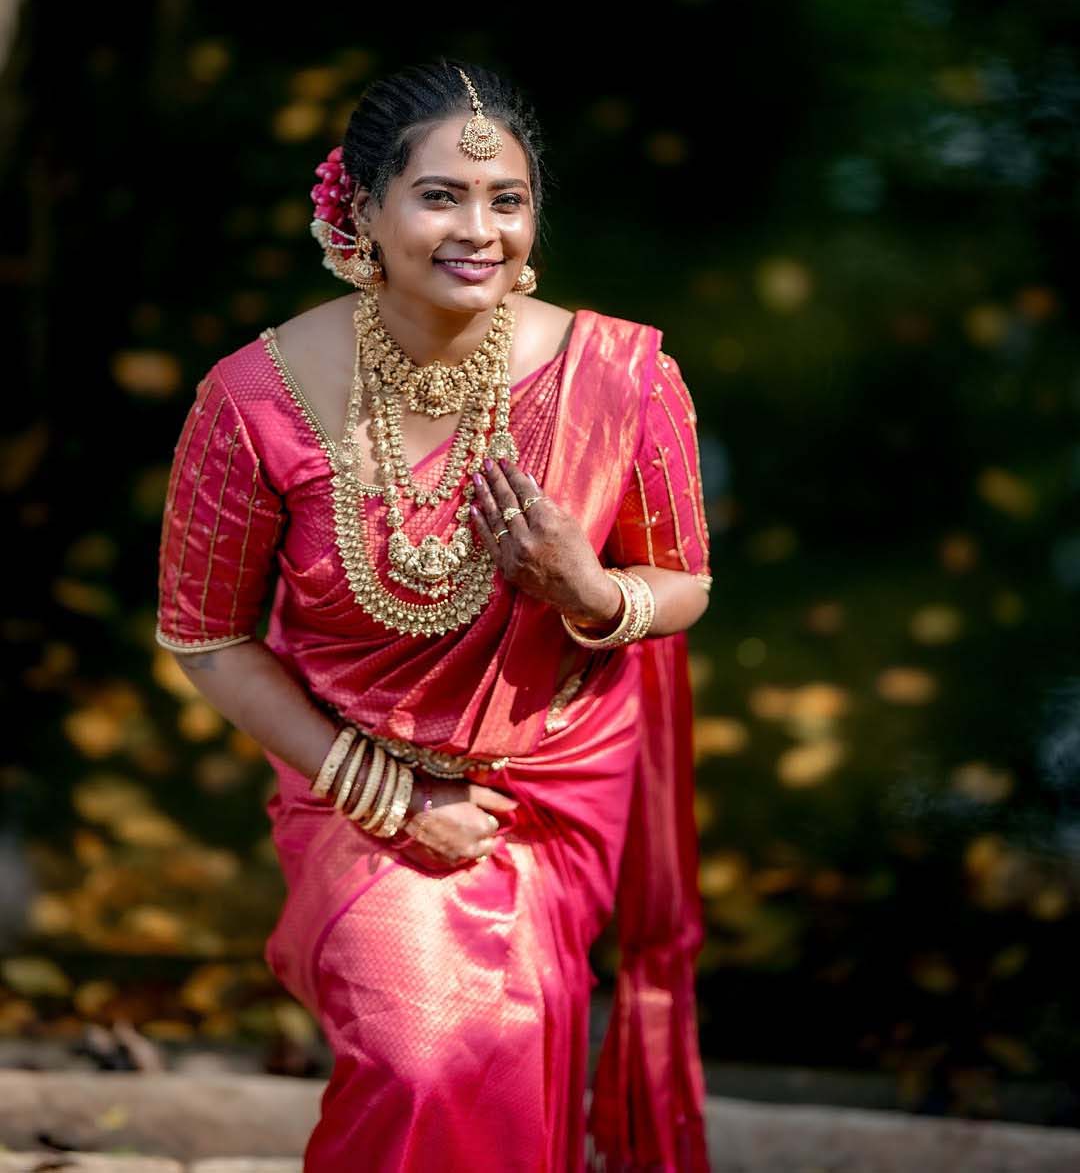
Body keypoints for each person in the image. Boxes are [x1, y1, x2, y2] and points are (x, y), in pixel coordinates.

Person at [155, 60, 712, 1172]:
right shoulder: (254, 399)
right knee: (422, 1054)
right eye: (441, 196)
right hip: (352, 778)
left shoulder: (622, 378)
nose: (480, 230)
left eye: (506, 199)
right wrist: (392, 796)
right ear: (362, 210)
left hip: (549, 782)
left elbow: (684, 582)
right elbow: (205, 638)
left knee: (499, 1036)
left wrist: (586, 591)